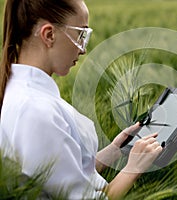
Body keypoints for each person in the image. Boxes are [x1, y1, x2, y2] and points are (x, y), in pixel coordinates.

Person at [0, 0, 163, 199]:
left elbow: (52, 176)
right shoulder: (35, 111)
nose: (83, 49)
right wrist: (134, 168)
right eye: (80, 34)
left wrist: (113, 151)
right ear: (49, 35)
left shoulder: (19, 92)